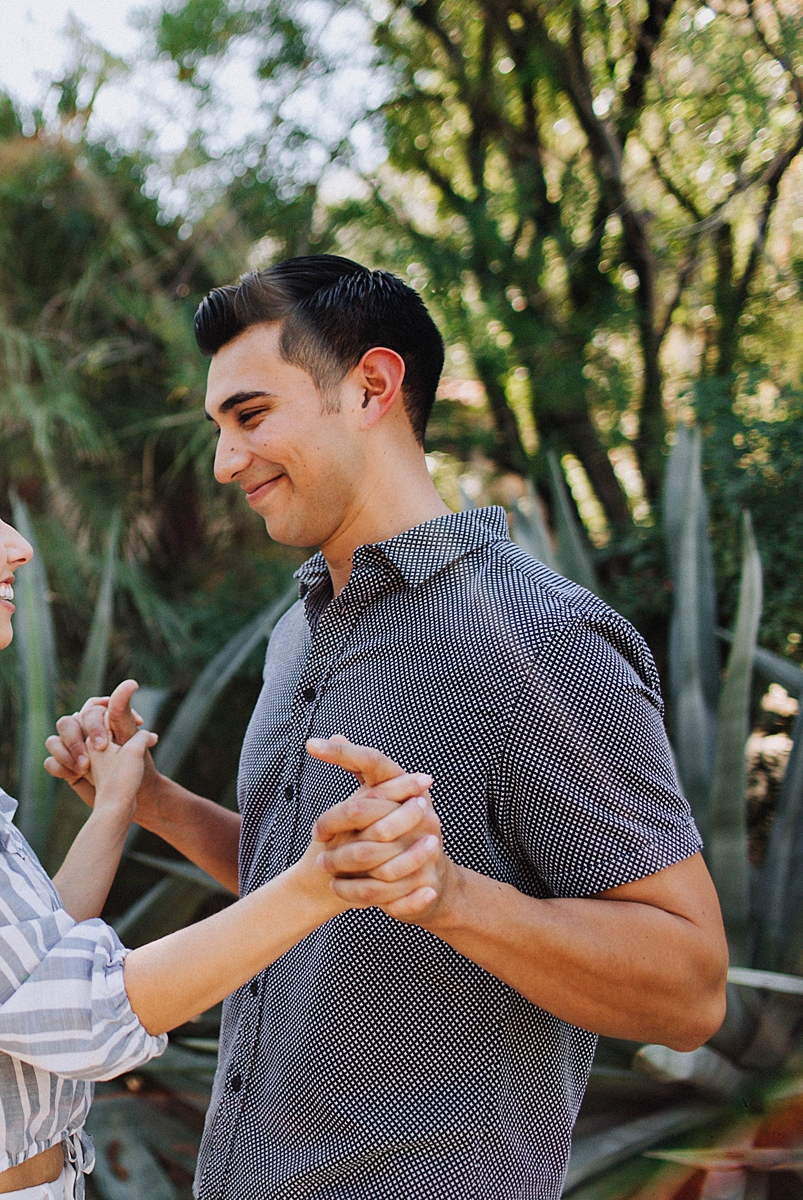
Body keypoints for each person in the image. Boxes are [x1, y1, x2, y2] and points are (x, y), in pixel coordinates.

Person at [46, 255, 730, 1200]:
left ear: (372, 386)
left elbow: (690, 986)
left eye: (250, 417)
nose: (224, 462)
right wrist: (151, 801)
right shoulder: (298, 632)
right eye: (220, 428)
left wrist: (448, 894)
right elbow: (312, 885)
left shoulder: (538, 639)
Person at [0, 419, 444, 1200]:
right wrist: (317, 883)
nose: (20, 549)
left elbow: (29, 973)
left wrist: (118, 805)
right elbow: (81, 1016)